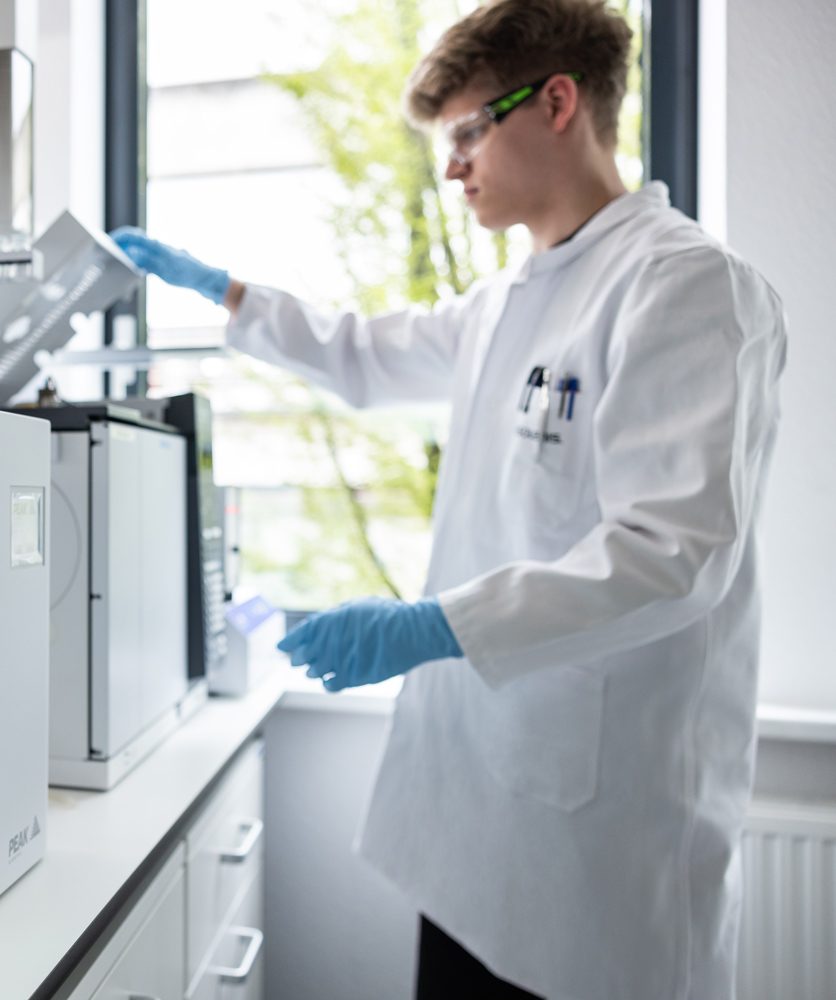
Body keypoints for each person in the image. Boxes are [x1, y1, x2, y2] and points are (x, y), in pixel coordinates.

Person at [112, 1, 786, 997]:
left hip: (603, 856)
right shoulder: (507, 301)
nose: (453, 164)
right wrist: (225, 292)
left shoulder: (683, 286)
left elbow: (668, 558)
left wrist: (431, 625)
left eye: (470, 129)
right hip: (478, 837)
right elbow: (361, 355)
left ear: (558, 102)